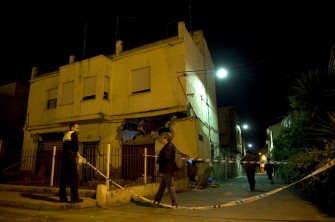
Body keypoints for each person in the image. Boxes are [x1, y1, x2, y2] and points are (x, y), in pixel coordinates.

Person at [59, 122, 83, 203]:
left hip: (64, 159)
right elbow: (75, 147)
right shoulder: (73, 133)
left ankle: (62, 198)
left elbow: (66, 147)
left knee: (64, 179)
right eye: (77, 128)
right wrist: (76, 152)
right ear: (72, 128)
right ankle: (74, 198)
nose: (78, 130)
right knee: (74, 178)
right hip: (70, 158)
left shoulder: (65, 135)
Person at [153, 132, 178, 207]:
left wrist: (159, 159)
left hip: (168, 169)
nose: (161, 139)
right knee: (162, 186)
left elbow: (167, 157)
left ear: (166, 139)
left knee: (170, 186)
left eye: (163, 138)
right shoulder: (167, 146)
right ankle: (156, 200)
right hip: (166, 169)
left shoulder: (169, 146)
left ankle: (175, 203)